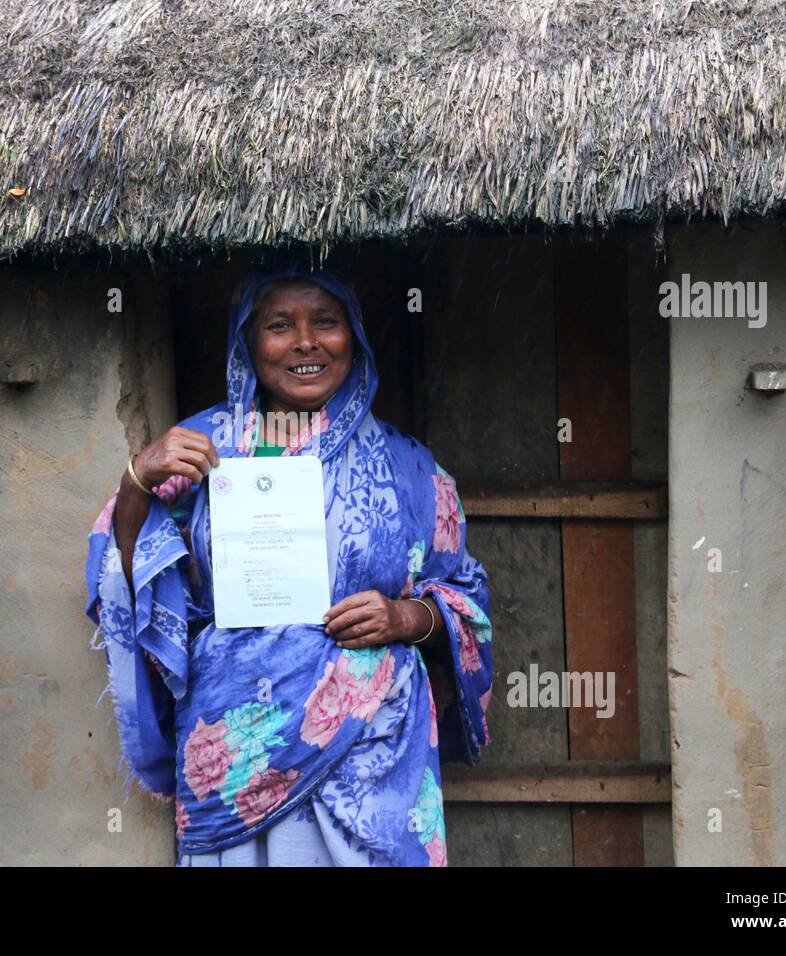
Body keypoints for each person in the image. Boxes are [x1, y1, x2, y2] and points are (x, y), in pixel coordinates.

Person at [84, 270, 494, 866]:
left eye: (325, 322)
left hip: (368, 744)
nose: (306, 342)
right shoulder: (201, 447)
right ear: (248, 342)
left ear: (353, 337)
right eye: (280, 326)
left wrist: (407, 617)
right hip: (234, 749)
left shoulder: (409, 468)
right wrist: (137, 479)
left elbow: (468, 601)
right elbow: (123, 573)